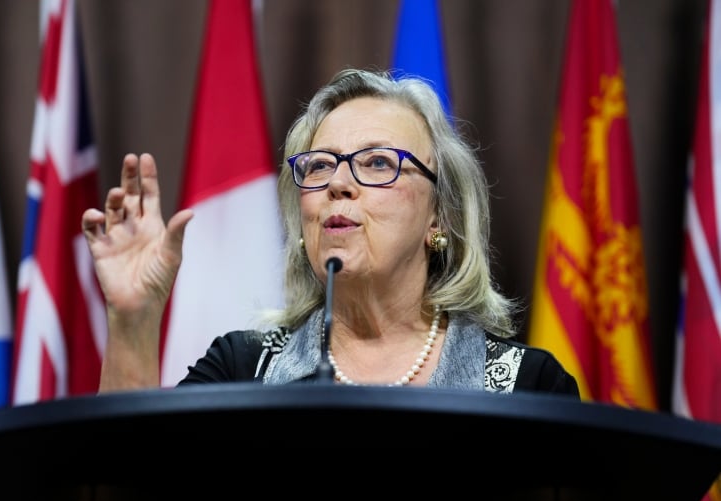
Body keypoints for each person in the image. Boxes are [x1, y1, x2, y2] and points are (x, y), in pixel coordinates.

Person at [82, 67, 579, 397]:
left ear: (440, 216)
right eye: (319, 166)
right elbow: (123, 494)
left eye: (379, 162)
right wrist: (133, 319)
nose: (338, 183)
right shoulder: (240, 370)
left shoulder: (527, 386)